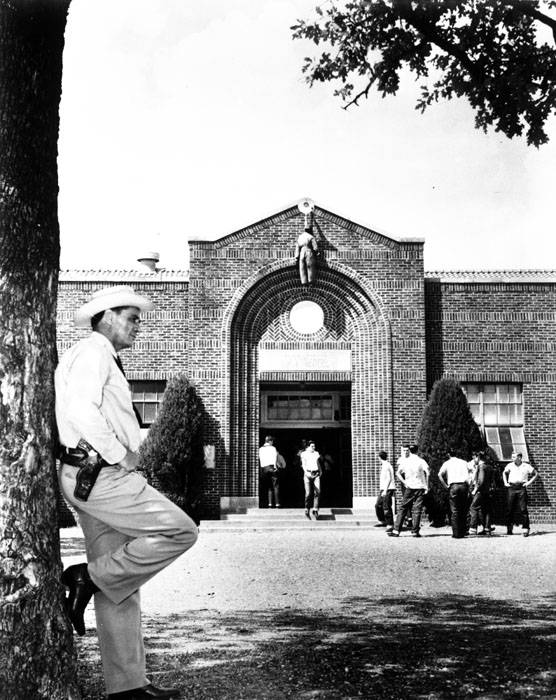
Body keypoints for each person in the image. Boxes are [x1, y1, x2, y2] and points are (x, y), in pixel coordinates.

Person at [56, 285, 199, 700]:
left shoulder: (98, 355)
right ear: (107, 317)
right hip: (100, 474)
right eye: (132, 318)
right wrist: (122, 455)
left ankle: (127, 688)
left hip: (89, 475)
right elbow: (83, 410)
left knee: (121, 579)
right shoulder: (93, 352)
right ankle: (85, 577)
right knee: (180, 531)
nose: (138, 326)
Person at [389, 445, 429, 538]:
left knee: (403, 508)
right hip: (420, 486)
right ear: (417, 450)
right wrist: (427, 486)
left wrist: (404, 482)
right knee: (417, 509)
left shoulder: (405, 461)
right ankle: (415, 531)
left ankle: (396, 530)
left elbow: (398, 473)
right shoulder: (421, 461)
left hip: (410, 486)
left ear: (410, 451)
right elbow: (428, 472)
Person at [438, 448, 473, 539]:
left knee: (455, 510)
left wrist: (445, 485)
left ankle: (456, 533)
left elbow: (439, 475)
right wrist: (470, 483)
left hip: (453, 486)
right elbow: (472, 471)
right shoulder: (464, 462)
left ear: (449, 454)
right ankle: (463, 531)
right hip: (464, 486)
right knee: (464, 509)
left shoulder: (447, 463)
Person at [503, 451, 538, 536]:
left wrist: (528, 483)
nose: (512, 458)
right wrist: (505, 482)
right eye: (512, 457)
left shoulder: (526, 466)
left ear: (519, 457)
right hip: (511, 487)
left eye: (514, 457)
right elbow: (504, 472)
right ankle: (509, 528)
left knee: (523, 509)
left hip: (521, 488)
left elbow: (536, 474)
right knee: (509, 508)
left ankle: (526, 529)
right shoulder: (510, 465)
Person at [468, 452, 495, 536]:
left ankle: (473, 528)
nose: (474, 460)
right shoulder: (490, 467)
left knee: (473, 507)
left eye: (474, 458)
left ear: (478, 457)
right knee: (485, 509)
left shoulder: (481, 466)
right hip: (487, 491)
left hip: (480, 491)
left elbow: (480, 480)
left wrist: (475, 490)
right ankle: (487, 529)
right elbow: (492, 481)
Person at [375, 451, 395, 531]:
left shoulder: (386, 465)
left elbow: (389, 478)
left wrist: (385, 490)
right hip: (384, 488)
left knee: (386, 506)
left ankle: (390, 524)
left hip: (388, 489)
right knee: (378, 505)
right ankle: (382, 521)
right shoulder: (384, 465)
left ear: (379, 457)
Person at [300, 440, 322, 518]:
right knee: (308, 493)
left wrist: (320, 471)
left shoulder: (316, 453)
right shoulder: (304, 454)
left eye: (314, 446)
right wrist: (307, 473)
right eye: (312, 446)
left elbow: (317, 462)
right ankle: (307, 508)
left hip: (316, 474)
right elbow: (303, 465)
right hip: (308, 474)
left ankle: (315, 509)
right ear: (308, 447)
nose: (314, 447)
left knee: (317, 492)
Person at [259, 435, 280, 508]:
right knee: (276, 486)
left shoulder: (261, 449)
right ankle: (277, 504)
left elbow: (261, 459)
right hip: (271, 467)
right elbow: (274, 458)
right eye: (272, 441)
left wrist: (262, 469)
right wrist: (275, 467)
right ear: (270, 441)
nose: (273, 442)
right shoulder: (273, 448)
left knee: (269, 487)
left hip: (264, 468)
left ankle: (270, 504)